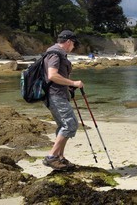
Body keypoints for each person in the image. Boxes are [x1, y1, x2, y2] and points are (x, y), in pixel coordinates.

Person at [42, 30, 84, 170]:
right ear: (68, 42)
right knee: (70, 124)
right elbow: (52, 75)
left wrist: (68, 87)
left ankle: (60, 157)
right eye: (74, 44)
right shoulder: (55, 54)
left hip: (56, 94)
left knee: (62, 125)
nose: (74, 47)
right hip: (55, 95)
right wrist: (73, 83)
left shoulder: (55, 53)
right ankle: (52, 157)